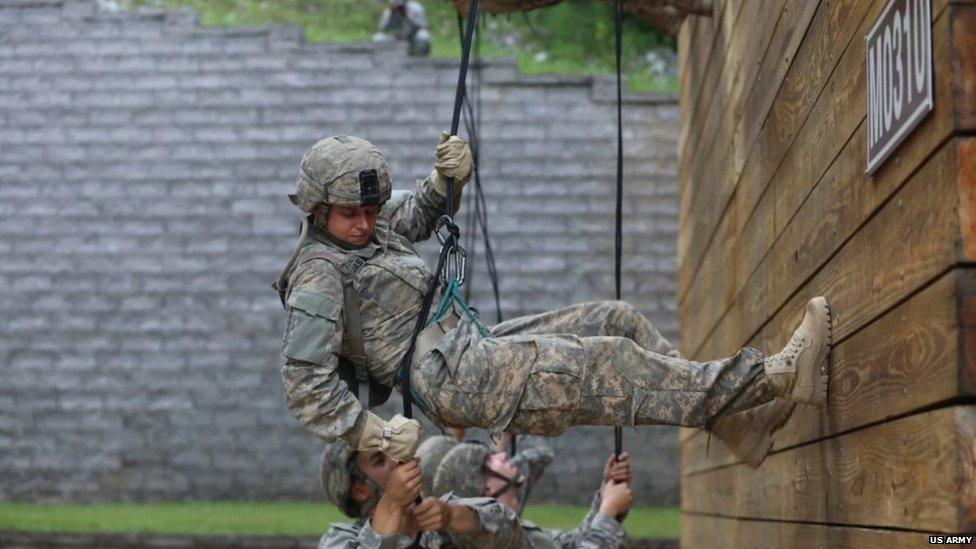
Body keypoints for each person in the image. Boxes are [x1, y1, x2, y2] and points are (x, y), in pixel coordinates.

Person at [274, 133, 832, 466]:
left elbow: (417, 214)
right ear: (318, 209)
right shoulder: (317, 277)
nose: (366, 223)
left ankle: (738, 424)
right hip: (451, 376)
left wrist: (447, 180)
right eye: (352, 215)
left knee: (618, 321)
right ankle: (775, 378)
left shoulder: (367, 223)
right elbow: (306, 383)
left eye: (370, 212)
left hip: (470, 342)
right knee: (608, 365)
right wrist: (373, 433)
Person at [317, 438, 523, 548]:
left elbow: (512, 536)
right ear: (360, 489)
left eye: (393, 448)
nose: (397, 459)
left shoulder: (444, 514)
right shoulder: (342, 541)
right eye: (380, 460)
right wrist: (391, 504)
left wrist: (453, 516)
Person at [432, 442, 633, 548]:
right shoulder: (497, 544)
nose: (502, 455)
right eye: (490, 459)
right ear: (486, 490)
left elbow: (571, 544)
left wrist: (606, 493)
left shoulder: (518, 530)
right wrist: (607, 514)